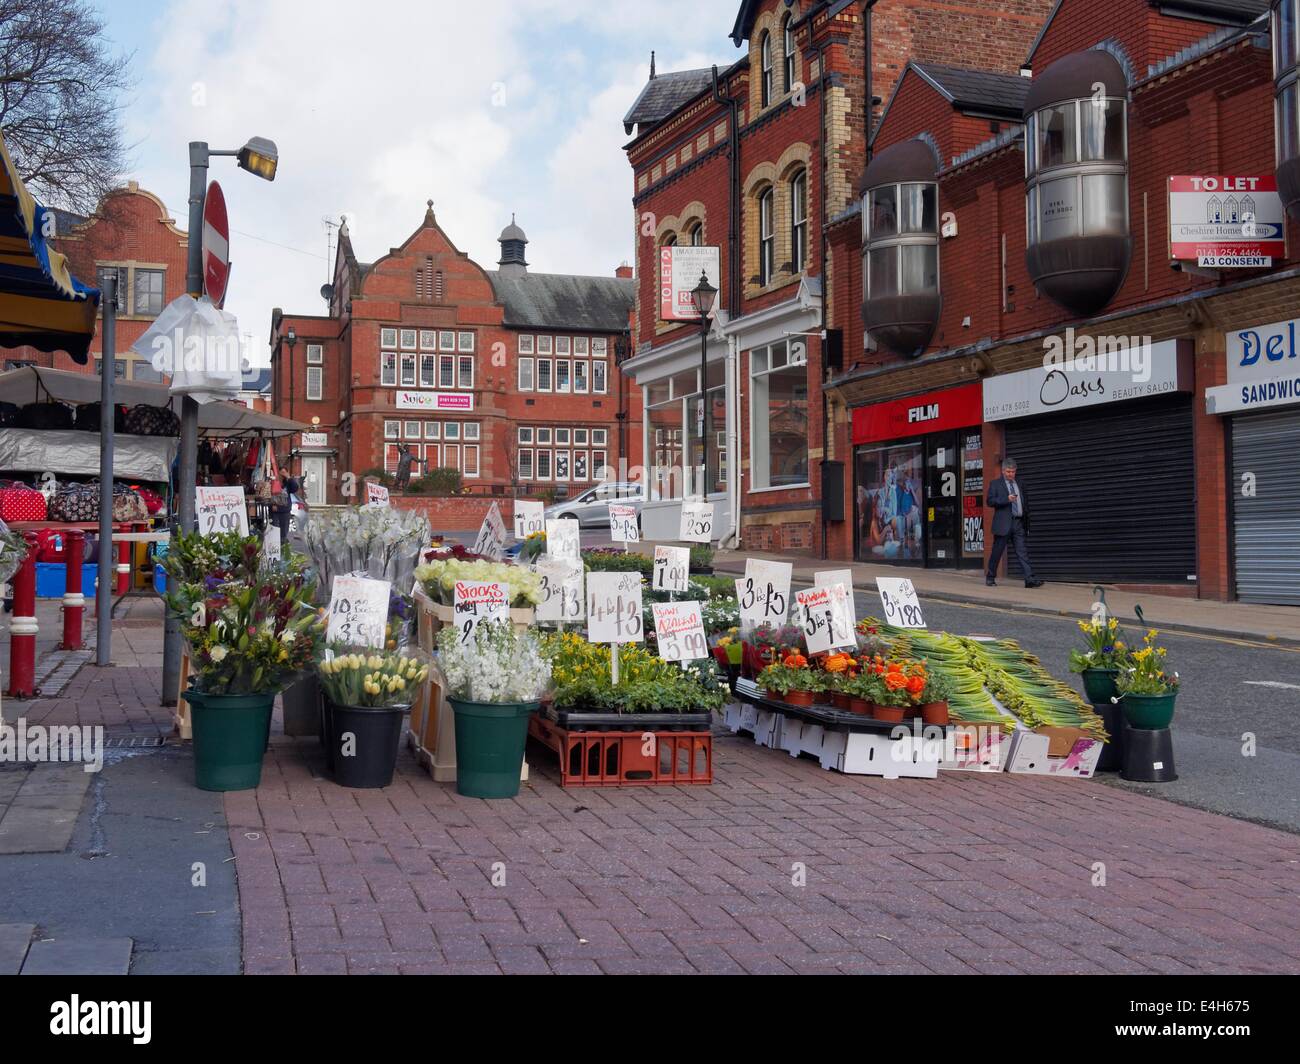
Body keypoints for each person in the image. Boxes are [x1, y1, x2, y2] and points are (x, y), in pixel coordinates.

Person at [986, 458, 1043, 588]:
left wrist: (1026, 520)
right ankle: (990, 577)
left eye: (1013, 471)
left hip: (1018, 523)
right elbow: (990, 501)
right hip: (1003, 524)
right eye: (1008, 471)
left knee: (1022, 552)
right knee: (997, 552)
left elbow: (1025, 503)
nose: (1011, 474)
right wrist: (1006, 499)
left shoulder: (1021, 483)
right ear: (1003, 471)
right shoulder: (995, 484)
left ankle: (1029, 579)